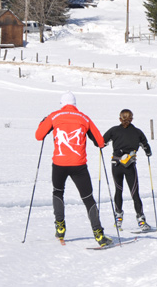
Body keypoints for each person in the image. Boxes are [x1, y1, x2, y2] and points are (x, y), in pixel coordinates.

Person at [35, 91, 113, 246]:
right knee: (88, 198)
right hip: (79, 165)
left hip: (59, 164)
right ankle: (98, 234)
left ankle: (60, 227)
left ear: (62, 104)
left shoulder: (54, 116)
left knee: (58, 192)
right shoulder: (84, 118)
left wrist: (42, 122)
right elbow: (100, 142)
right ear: (75, 105)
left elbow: (39, 136)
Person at [103, 109, 153, 231]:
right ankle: (141, 221)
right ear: (132, 119)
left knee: (118, 190)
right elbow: (147, 148)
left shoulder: (114, 130)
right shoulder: (137, 132)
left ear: (120, 118)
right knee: (134, 192)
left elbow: (101, 142)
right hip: (129, 166)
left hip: (116, 165)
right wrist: (147, 153)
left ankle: (118, 219)